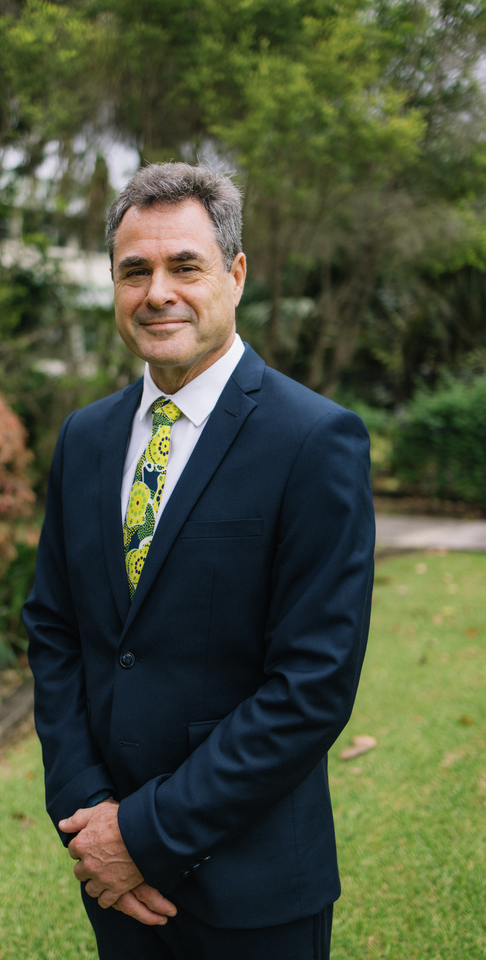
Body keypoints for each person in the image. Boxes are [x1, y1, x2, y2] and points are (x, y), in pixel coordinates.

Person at [23, 162, 375, 960]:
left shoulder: (315, 441)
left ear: (236, 273)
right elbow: (54, 630)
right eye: (134, 271)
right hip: (111, 882)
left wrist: (141, 834)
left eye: (185, 265)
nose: (157, 292)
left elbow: (312, 686)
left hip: (253, 892)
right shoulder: (85, 440)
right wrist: (87, 816)